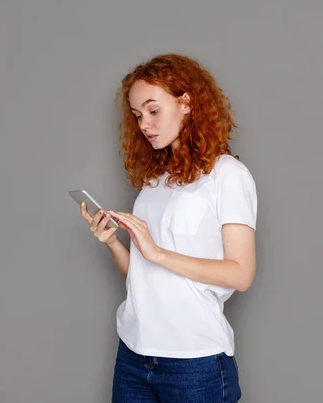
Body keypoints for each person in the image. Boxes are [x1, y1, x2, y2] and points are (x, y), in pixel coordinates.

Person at [79, 53, 257, 402]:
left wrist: (158, 252)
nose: (144, 123)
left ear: (187, 103)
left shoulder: (228, 176)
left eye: (153, 110)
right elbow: (143, 275)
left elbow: (241, 274)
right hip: (134, 353)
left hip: (194, 362)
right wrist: (114, 243)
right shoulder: (155, 182)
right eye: (137, 115)